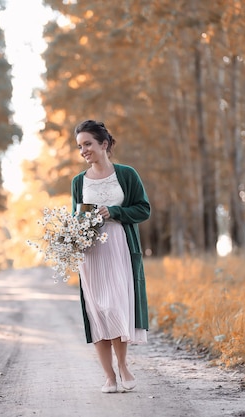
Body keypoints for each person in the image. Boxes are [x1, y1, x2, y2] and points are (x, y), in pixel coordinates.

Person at [71, 119, 151, 393]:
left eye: (88, 144)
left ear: (104, 144)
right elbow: (76, 217)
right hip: (91, 255)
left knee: (116, 307)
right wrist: (70, 236)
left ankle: (124, 366)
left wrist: (115, 212)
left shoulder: (126, 175)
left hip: (119, 248)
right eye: (80, 146)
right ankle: (109, 376)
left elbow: (143, 209)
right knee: (97, 313)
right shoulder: (78, 181)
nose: (83, 150)